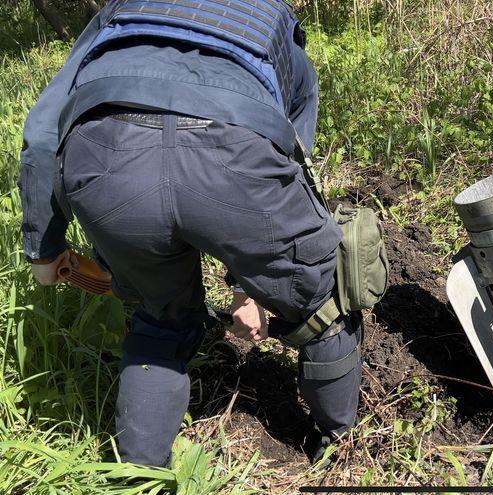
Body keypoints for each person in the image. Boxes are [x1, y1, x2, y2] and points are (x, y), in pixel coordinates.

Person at [19, 0, 361, 467]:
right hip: (235, 152)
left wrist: (45, 248)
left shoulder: (120, 13)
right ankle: (342, 447)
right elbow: (288, 155)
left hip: (106, 158)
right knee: (320, 309)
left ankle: (140, 477)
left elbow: (41, 136)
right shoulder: (273, 22)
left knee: (161, 319)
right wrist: (255, 287)